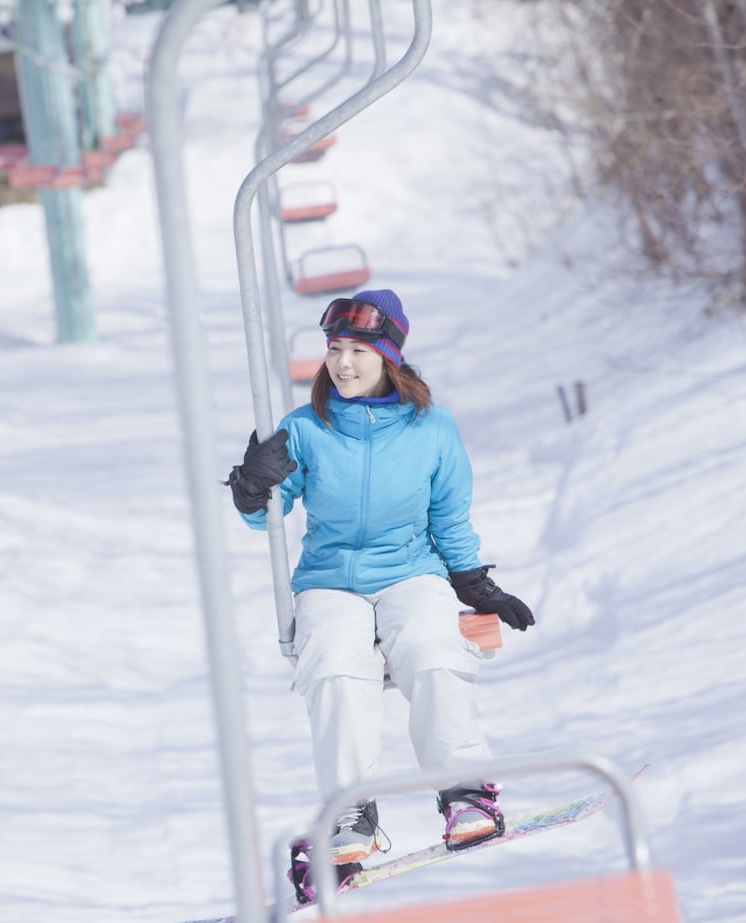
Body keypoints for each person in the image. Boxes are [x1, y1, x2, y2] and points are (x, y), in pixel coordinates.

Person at [225, 289, 535, 878]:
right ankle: (350, 810)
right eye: (334, 349)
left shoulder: (432, 428)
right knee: (335, 664)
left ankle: (464, 790)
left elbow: (449, 514)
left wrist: (471, 583)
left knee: (431, 648)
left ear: (389, 357)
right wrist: (251, 487)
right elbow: (262, 516)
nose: (342, 363)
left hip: (410, 569)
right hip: (329, 579)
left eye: (358, 350)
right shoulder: (304, 427)